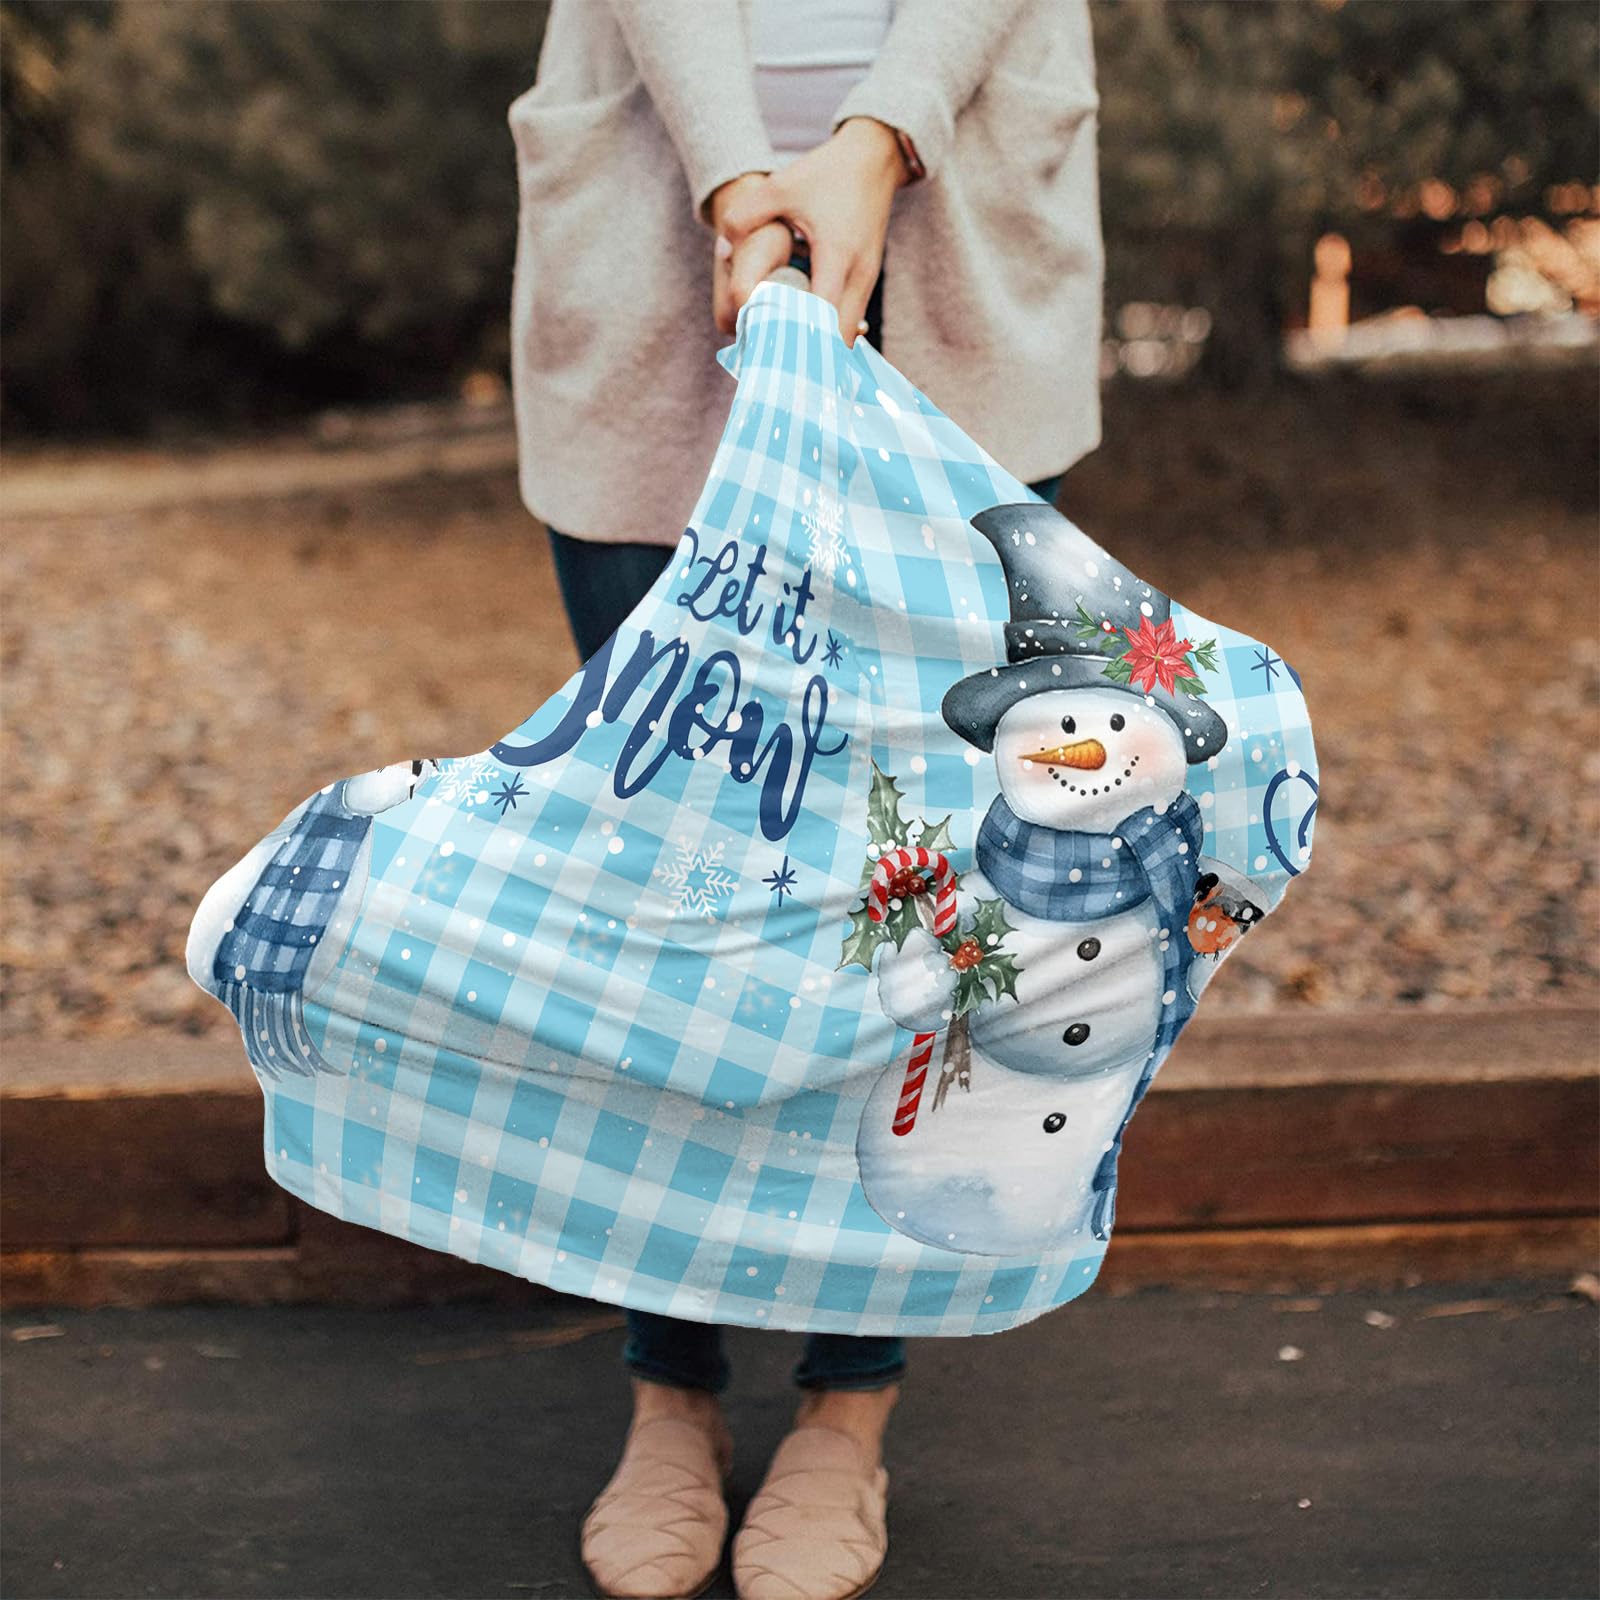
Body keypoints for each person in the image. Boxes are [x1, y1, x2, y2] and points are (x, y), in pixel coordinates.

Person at [506, 3, 1103, 1595]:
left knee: (912, 880)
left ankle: (849, 1406)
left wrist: (876, 137)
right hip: (656, 220)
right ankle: (670, 1387)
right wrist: (733, 178)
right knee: (665, 870)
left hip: (961, 222)